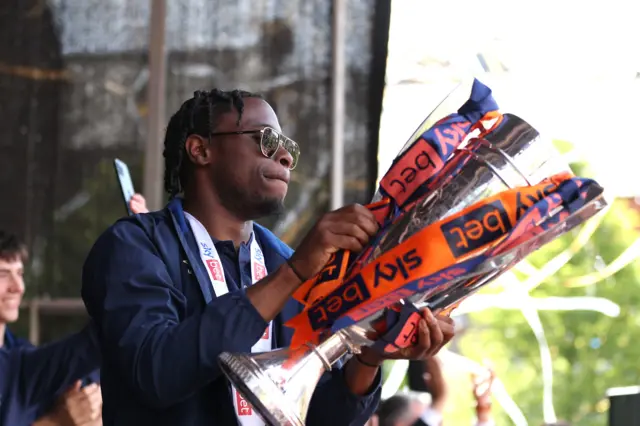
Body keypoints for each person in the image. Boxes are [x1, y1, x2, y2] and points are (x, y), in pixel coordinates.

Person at [81, 89, 456, 426]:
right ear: (201, 150)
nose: (285, 157)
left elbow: (320, 417)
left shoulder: (285, 261)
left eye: (288, 148)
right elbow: (157, 373)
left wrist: (369, 356)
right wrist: (292, 275)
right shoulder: (134, 245)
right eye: (266, 139)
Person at [0, 230, 102, 426]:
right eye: (3, 274)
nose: (18, 286)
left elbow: (84, 357)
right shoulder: (18, 367)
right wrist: (55, 422)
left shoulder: (22, 353)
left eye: (20, 273)